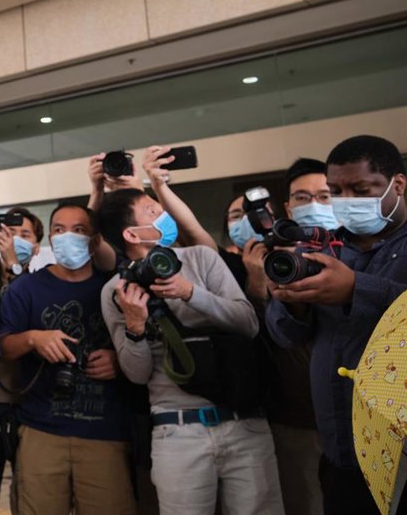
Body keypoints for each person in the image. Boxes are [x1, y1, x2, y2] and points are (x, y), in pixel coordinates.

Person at [98, 184, 284, 515]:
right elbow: (138, 375)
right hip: (177, 430)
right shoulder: (117, 290)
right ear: (132, 234)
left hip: (243, 420)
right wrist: (135, 326)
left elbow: (247, 323)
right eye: (153, 212)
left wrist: (190, 293)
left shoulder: (201, 257)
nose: (164, 215)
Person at [267, 135, 407, 515]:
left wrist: (356, 288)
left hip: (400, 454)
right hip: (339, 452)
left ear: (397, 185)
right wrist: (293, 302)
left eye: (360, 190)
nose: (346, 200)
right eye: (337, 191)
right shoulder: (321, 248)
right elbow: (284, 336)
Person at [0, 203, 135, 515]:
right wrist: (33, 338)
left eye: (78, 230)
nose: (67, 237)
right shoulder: (25, 288)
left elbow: (144, 344)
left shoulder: (114, 287)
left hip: (104, 433)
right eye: (59, 230)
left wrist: (120, 360)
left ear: (94, 239)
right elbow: (3, 347)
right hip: (41, 430)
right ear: (49, 237)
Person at [219, 159, 326, 515]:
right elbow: (259, 340)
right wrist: (257, 286)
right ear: (288, 207)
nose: (315, 204)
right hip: (292, 415)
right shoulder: (239, 267)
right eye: (303, 196)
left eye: (326, 195)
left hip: (355, 414)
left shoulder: (350, 254)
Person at [0, 205, 40, 515]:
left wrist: (14, 264)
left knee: (30, 493)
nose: (15, 240)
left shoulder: (41, 284)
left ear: (37, 246)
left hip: (28, 400)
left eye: (25, 235)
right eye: (10, 233)